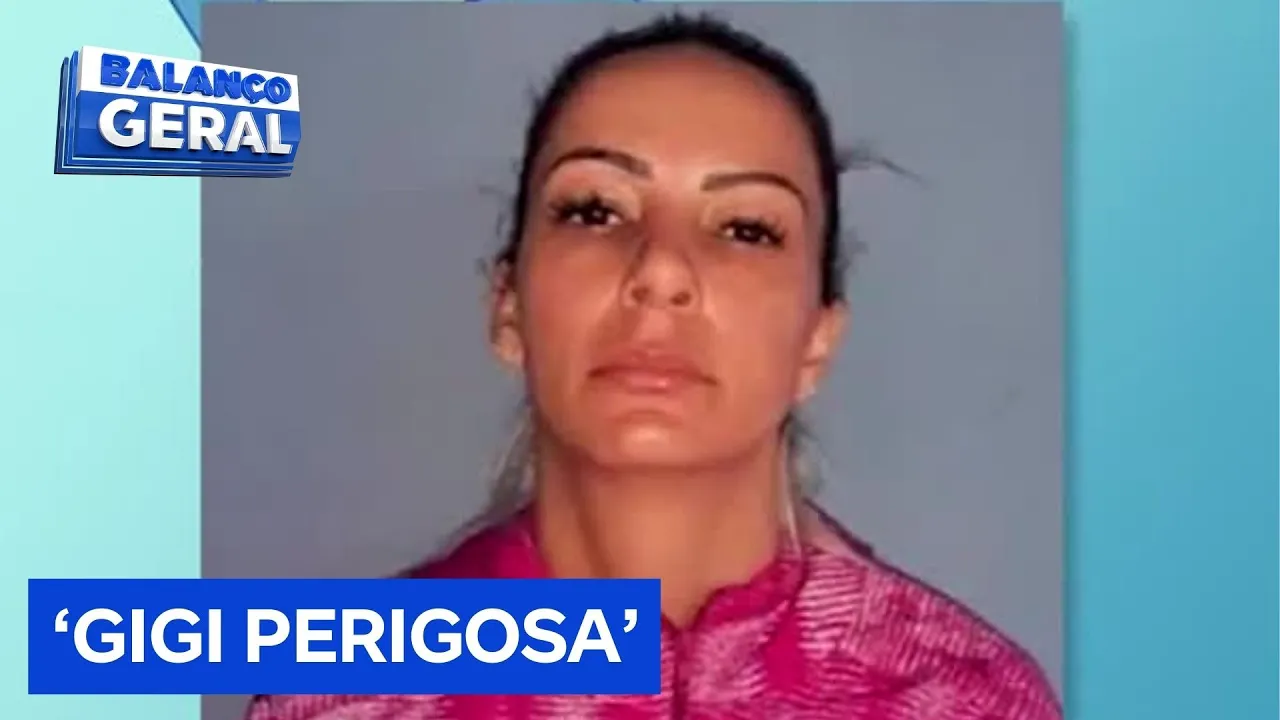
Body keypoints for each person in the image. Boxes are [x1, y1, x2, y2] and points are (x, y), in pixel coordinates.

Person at [246, 12, 1061, 720]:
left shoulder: (964, 698)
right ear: (509, 307)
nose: (661, 269)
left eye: (746, 228)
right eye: (594, 210)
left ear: (817, 338)